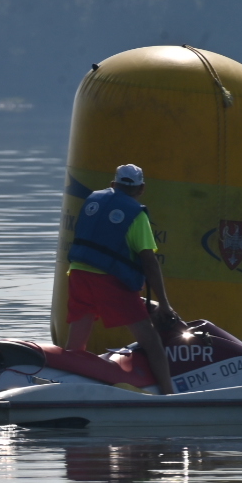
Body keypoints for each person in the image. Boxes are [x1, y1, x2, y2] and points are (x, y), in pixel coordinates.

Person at [66, 163, 178, 394]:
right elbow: (149, 262)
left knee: (75, 346)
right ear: (141, 188)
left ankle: (63, 384)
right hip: (109, 281)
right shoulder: (136, 214)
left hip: (77, 274)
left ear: (113, 184)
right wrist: (165, 304)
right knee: (152, 342)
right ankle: (169, 395)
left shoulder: (93, 200)